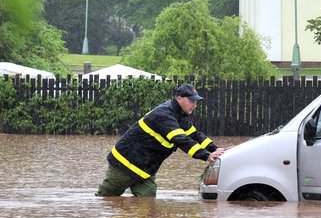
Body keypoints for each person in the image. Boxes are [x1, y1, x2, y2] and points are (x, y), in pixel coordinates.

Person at [96, 83, 225, 197]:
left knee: (147, 206)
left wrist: (216, 149)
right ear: (179, 98)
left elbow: (195, 135)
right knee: (106, 200)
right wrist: (206, 155)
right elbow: (180, 139)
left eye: (196, 102)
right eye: (191, 101)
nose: (195, 105)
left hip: (146, 170)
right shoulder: (164, 114)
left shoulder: (180, 116)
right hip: (123, 165)